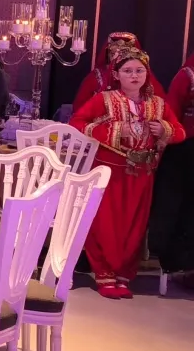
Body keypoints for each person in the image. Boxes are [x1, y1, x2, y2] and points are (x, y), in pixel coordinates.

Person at [72, 49, 185, 298]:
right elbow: (77, 123)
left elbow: (180, 132)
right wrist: (113, 130)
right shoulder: (104, 100)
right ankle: (104, 275)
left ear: (147, 73)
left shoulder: (158, 104)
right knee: (106, 224)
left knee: (134, 227)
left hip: (143, 174)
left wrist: (164, 130)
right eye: (128, 71)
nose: (134, 76)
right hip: (109, 172)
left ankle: (123, 276)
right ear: (116, 74)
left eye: (139, 71)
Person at [149, 50, 194, 278]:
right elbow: (172, 114)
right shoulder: (187, 75)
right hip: (186, 149)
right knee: (180, 205)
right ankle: (178, 263)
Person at [71, 31, 166, 111]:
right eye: (114, 54)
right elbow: (80, 111)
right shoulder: (96, 77)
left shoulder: (146, 77)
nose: (134, 75)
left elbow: (163, 109)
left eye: (124, 55)